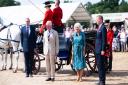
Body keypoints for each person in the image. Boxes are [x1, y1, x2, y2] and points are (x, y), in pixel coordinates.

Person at [95, 15, 107, 85]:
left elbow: (104, 40)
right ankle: (100, 80)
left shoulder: (103, 28)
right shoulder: (99, 27)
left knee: (101, 66)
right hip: (97, 49)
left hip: (100, 50)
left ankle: (102, 81)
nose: (96, 21)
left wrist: (103, 49)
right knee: (99, 65)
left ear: (100, 19)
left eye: (97, 19)